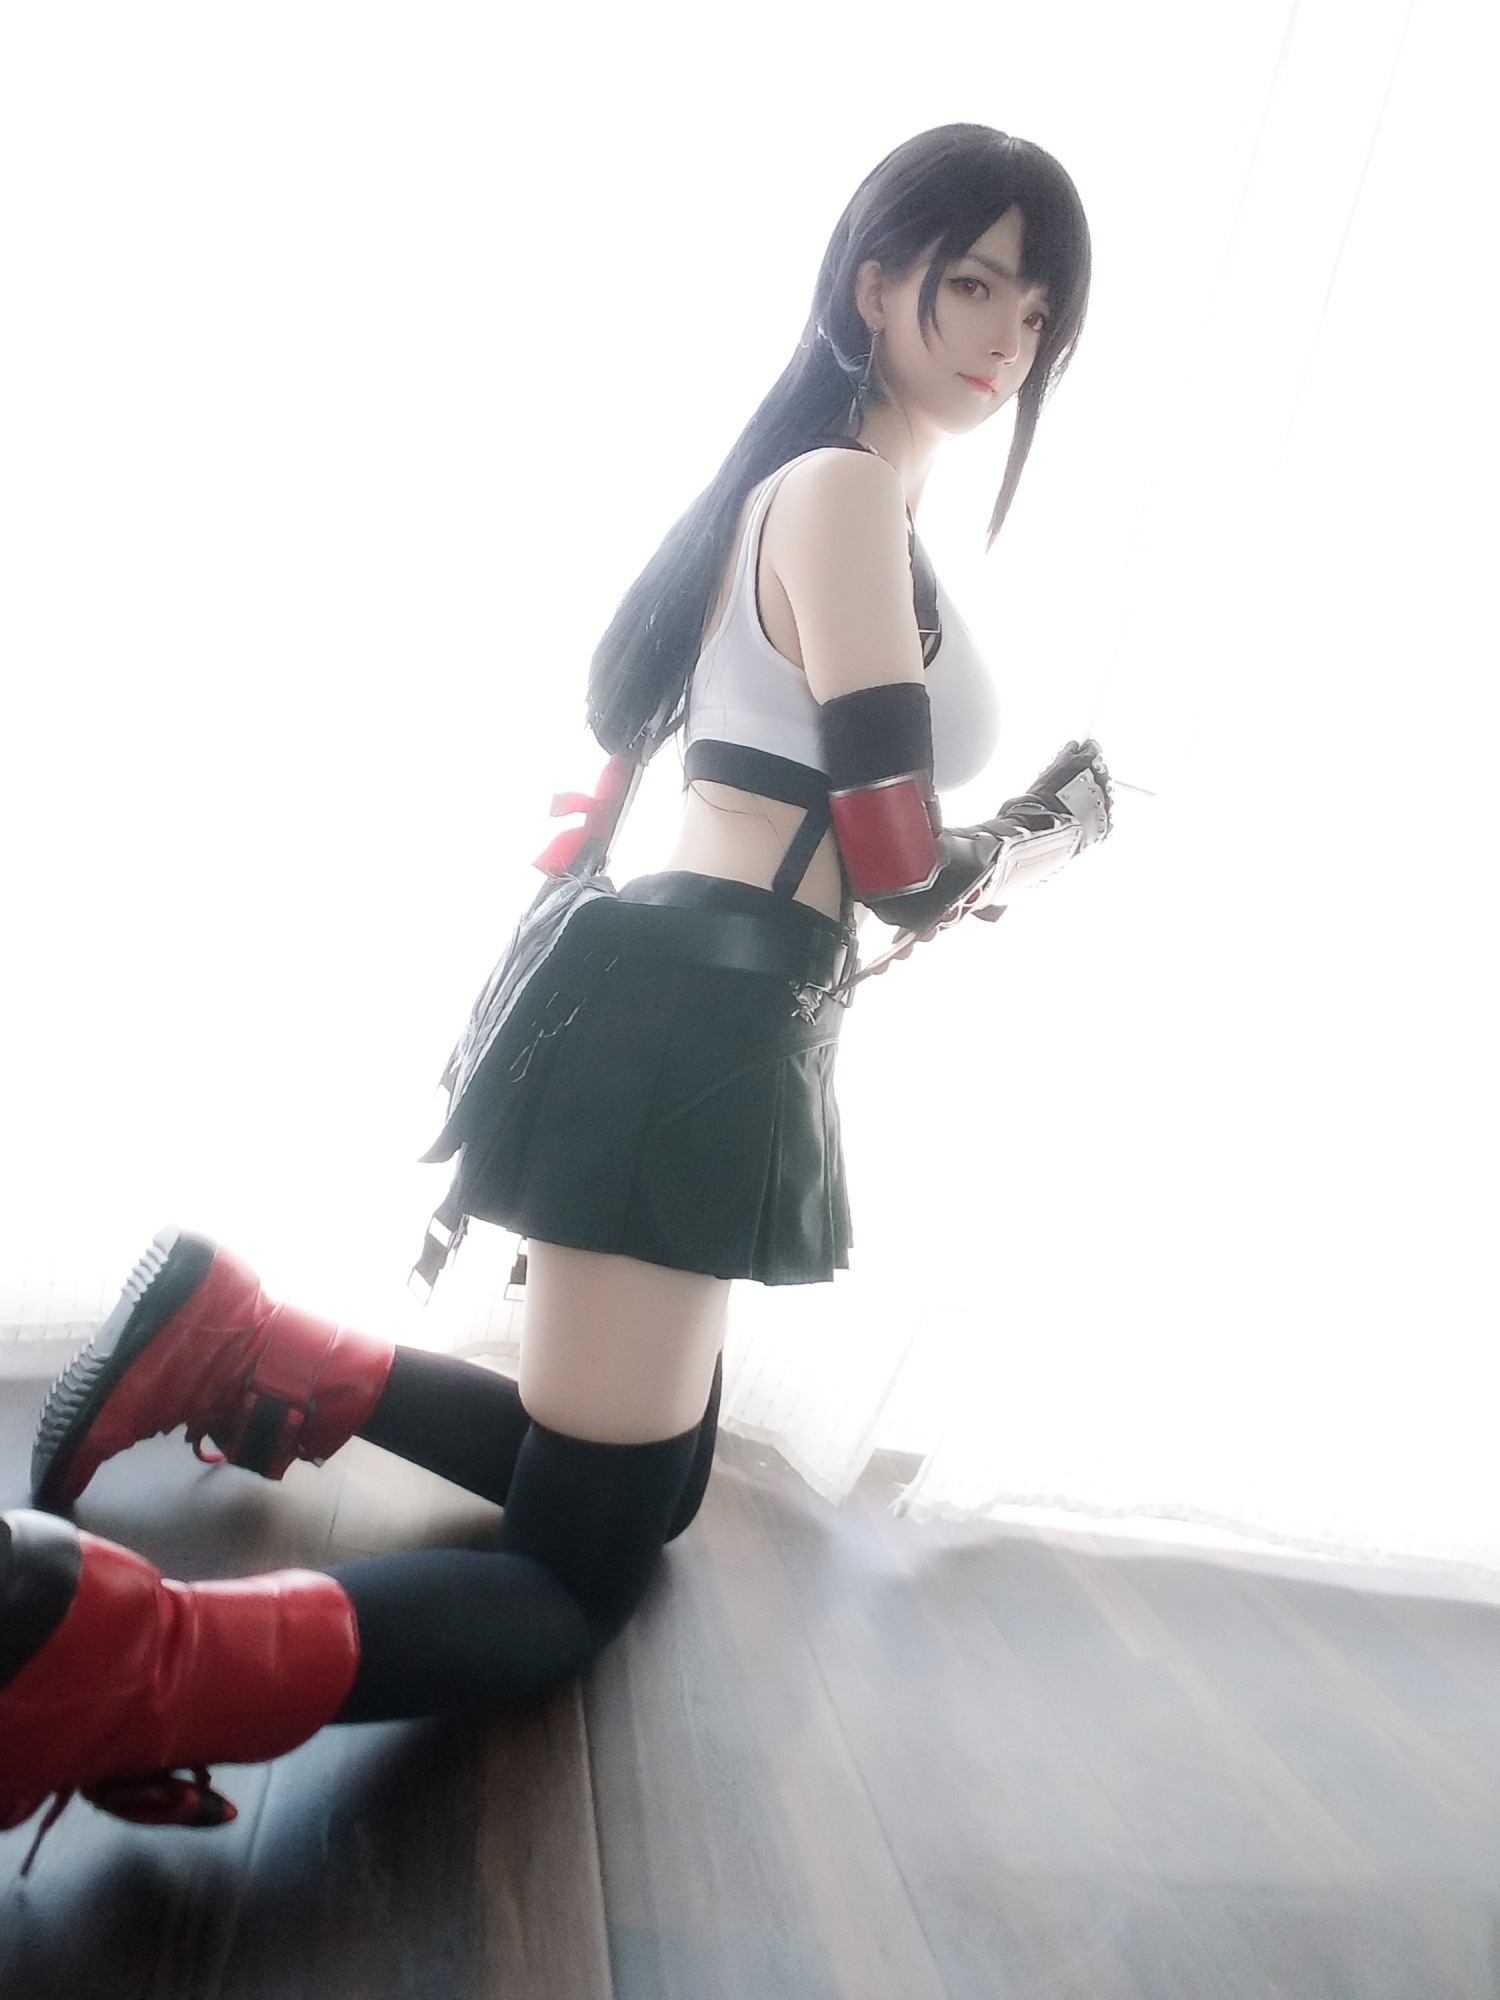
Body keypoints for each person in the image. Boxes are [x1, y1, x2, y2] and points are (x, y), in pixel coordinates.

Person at [0, 122, 1110, 1864]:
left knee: (645, 1486)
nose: (1005, 340)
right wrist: (1046, 837)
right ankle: (111, 1662)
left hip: (730, 1006)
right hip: (695, 1017)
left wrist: (1011, 840)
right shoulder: (836, 497)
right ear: (874, 281)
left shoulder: (850, 497)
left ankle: (248, 1345)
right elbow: (896, 855)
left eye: (1038, 314)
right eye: (974, 284)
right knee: (575, 1577)